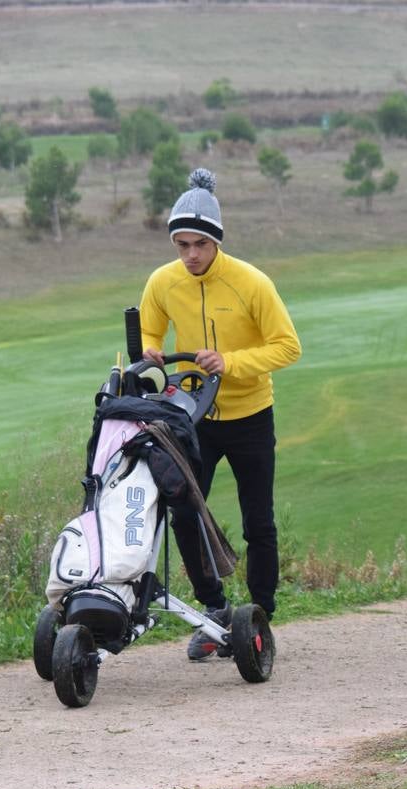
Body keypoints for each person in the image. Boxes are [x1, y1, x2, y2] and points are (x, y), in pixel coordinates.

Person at [139, 168, 302, 660]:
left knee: (259, 523)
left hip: (251, 415)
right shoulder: (163, 282)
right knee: (184, 510)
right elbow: (149, 335)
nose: (190, 255)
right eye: (181, 244)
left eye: (199, 244)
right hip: (194, 422)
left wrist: (229, 363)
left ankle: (258, 620)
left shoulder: (251, 282)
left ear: (216, 242)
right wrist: (151, 356)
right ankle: (215, 613)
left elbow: (288, 347)